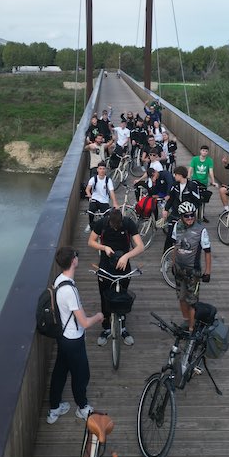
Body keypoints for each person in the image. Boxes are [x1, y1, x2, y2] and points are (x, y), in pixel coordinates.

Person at [47, 246, 104, 424]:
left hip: (62, 336)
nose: (77, 258)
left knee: (60, 372)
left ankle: (55, 408)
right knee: (81, 375)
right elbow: (85, 323)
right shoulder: (69, 291)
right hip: (73, 339)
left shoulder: (59, 280)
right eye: (76, 256)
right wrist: (99, 316)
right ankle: (82, 407)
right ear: (73, 261)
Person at [88, 208, 144, 346]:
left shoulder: (128, 223)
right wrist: (104, 247)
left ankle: (123, 327)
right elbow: (91, 242)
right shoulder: (101, 223)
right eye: (113, 225)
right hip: (105, 266)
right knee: (105, 297)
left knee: (123, 296)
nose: (115, 227)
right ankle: (106, 328)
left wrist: (126, 256)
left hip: (123, 265)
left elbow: (140, 246)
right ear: (109, 221)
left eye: (118, 225)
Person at [171, 202, 211, 331]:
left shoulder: (201, 230)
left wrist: (207, 272)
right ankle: (186, 321)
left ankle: (191, 328)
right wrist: (173, 264)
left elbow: (207, 251)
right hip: (179, 269)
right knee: (182, 298)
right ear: (181, 216)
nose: (189, 218)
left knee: (192, 302)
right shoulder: (177, 226)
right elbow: (175, 247)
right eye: (186, 216)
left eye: (192, 215)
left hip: (193, 271)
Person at [162, 166, 201, 251]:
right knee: (170, 235)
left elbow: (198, 201)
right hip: (175, 213)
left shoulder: (192, 186)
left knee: (187, 235)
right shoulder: (174, 185)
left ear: (180, 175)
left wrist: (190, 210)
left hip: (187, 215)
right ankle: (166, 255)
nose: (174, 176)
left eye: (175, 175)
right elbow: (171, 198)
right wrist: (166, 209)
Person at [188, 145, 218, 222]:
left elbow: (211, 171)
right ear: (200, 151)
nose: (204, 152)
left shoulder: (209, 160)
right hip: (195, 181)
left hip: (204, 182)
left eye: (206, 151)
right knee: (194, 197)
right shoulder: (195, 159)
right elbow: (190, 169)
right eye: (203, 150)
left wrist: (213, 181)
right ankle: (193, 213)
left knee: (203, 199)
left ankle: (202, 214)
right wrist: (188, 178)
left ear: (207, 152)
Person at [85, 161, 118, 229]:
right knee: (91, 211)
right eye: (100, 169)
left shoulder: (108, 180)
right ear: (97, 170)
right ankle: (90, 224)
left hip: (104, 201)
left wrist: (115, 203)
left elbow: (111, 192)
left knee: (107, 216)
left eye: (103, 169)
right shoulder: (93, 179)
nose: (102, 170)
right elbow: (87, 189)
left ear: (105, 170)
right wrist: (89, 195)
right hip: (95, 199)